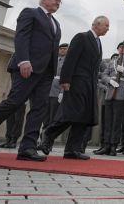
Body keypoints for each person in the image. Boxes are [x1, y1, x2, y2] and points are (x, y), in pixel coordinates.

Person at [0, 0, 62, 161]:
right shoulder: (30, 12)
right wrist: (23, 61)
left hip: (46, 72)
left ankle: (28, 148)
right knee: (15, 102)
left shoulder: (56, 23)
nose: (59, 2)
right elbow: (21, 36)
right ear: (44, 0)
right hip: (27, 67)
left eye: (60, 0)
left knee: (39, 108)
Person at [40, 16, 109, 160]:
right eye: (106, 26)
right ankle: (49, 133)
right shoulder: (82, 37)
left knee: (84, 117)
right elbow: (71, 59)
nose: (108, 28)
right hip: (77, 83)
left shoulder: (98, 42)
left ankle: (72, 149)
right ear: (96, 24)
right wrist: (65, 80)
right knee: (72, 113)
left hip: (90, 84)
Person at [96, 40, 124, 156]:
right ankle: (106, 145)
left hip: (121, 91)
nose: (122, 49)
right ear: (118, 49)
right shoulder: (112, 62)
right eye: (120, 47)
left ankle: (113, 145)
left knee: (117, 121)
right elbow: (104, 75)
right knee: (108, 120)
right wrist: (110, 81)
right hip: (110, 91)